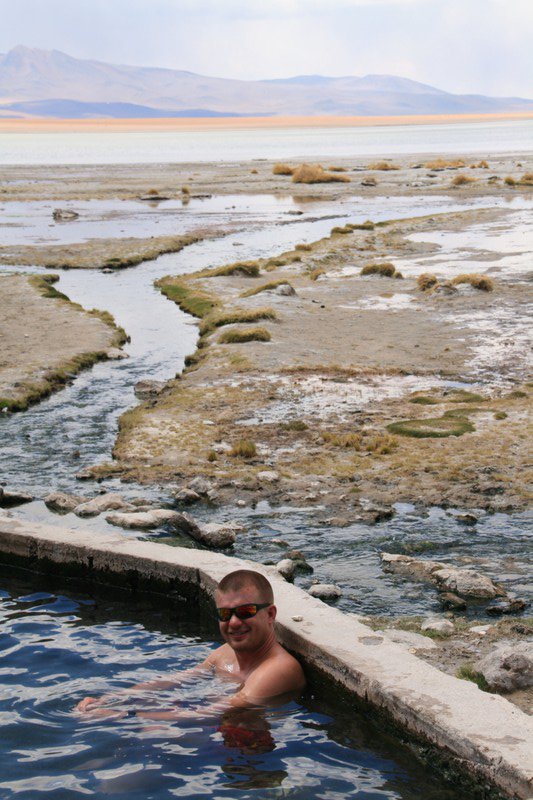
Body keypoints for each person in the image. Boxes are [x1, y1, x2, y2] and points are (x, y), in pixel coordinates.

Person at [76, 568, 305, 720]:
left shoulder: (278, 668)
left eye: (245, 612)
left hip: (246, 747)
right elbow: (177, 680)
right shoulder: (225, 654)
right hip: (214, 733)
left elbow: (211, 713)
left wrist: (124, 714)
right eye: (225, 614)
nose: (234, 622)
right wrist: (110, 699)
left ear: (270, 614)